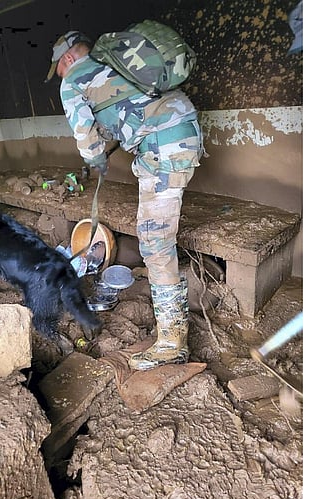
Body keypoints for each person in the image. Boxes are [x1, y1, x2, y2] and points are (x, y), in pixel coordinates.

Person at [45, 30, 205, 371]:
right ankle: (170, 334)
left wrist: (96, 161)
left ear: (67, 58)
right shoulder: (113, 63)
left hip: (164, 146)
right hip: (180, 128)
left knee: (155, 242)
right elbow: (123, 118)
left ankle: (171, 343)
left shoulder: (73, 79)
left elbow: (86, 139)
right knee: (155, 238)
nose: (60, 74)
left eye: (58, 68)